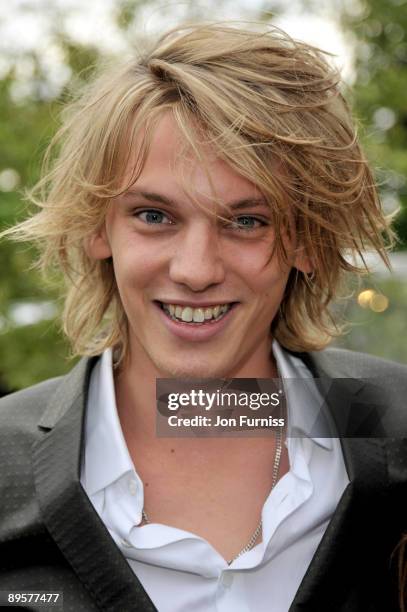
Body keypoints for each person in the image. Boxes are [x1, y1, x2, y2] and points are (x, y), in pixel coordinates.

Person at [0, 22, 406, 612]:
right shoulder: (6, 463)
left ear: (306, 243)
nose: (195, 269)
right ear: (96, 227)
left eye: (246, 221)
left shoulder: (392, 427)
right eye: (154, 216)